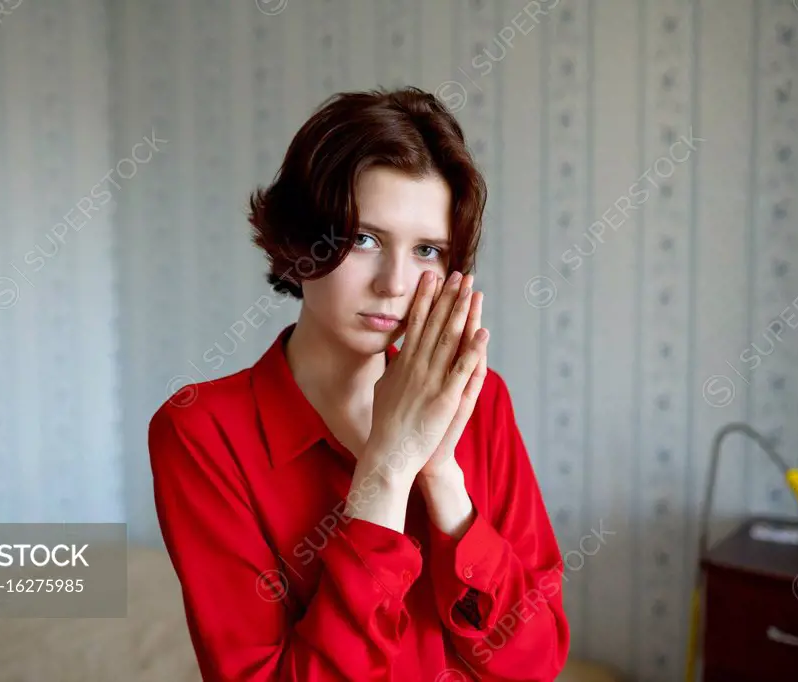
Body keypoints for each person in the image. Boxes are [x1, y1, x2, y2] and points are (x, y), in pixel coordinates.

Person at [148, 86, 570, 681]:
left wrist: (443, 477)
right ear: (300, 239)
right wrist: (387, 472)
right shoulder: (199, 431)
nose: (395, 283)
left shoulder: (480, 397)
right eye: (365, 239)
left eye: (428, 250)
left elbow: (536, 662)